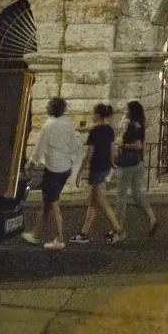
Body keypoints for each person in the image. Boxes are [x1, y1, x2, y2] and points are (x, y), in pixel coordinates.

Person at [22, 96, 81, 250]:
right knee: (47, 202)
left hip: (53, 169)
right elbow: (74, 144)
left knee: (54, 204)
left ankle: (60, 239)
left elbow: (38, 149)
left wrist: (30, 164)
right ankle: (35, 234)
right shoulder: (68, 124)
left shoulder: (48, 126)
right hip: (65, 169)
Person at [70, 104, 124, 244]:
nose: (92, 115)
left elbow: (89, 154)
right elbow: (113, 150)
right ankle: (84, 232)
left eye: (93, 113)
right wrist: (112, 163)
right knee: (94, 202)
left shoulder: (95, 131)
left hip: (96, 168)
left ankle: (118, 230)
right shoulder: (110, 130)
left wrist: (81, 171)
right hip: (105, 167)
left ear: (98, 115)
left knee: (102, 201)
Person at [114, 101, 157, 238]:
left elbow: (137, 145)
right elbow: (141, 145)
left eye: (127, 109)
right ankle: (152, 218)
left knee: (121, 196)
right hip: (138, 162)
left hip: (127, 164)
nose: (124, 110)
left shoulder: (131, 126)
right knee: (137, 195)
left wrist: (123, 144)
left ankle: (119, 228)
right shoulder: (140, 124)